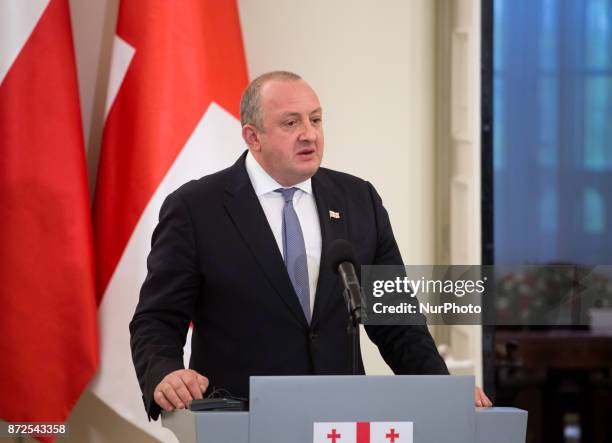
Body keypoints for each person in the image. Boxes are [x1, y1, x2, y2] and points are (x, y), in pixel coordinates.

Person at [130, 71, 491, 421]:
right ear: (252, 136)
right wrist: (165, 372)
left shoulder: (358, 200)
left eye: (316, 120)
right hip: (241, 418)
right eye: (291, 123)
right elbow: (158, 317)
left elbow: (396, 320)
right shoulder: (196, 208)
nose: (310, 135)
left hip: (343, 420)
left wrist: (440, 388)